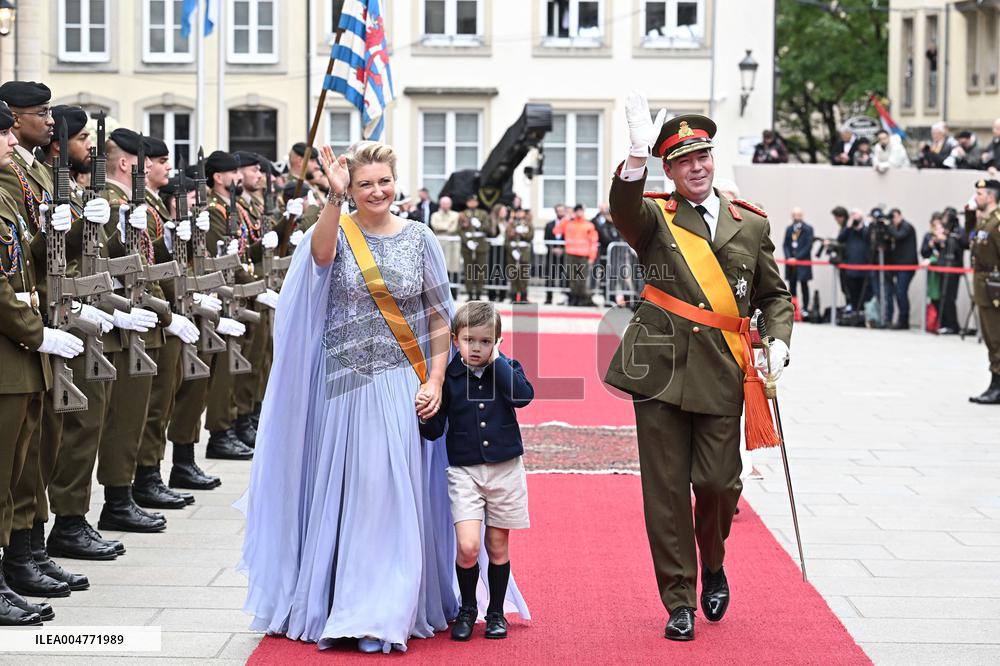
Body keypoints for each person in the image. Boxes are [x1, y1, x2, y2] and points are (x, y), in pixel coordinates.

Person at [238, 141, 527, 653]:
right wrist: (334, 196)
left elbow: (441, 317)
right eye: (365, 183)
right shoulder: (338, 230)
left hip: (402, 384)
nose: (376, 191)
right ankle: (344, 599)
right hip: (342, 384)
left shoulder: (420, 238)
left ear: (397, 183)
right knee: (351, 494)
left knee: (389, 495)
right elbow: (321, 258)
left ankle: (384, 607)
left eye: (383, 181)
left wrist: (436, 380)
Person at [606, 93, 792, 641]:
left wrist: (778, 339)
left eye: (703, 156)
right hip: (659, 369)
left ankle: (713, 561)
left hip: (720, 370)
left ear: (713, 159)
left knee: (717, 484)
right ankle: (679, 598)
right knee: (664, 492)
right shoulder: (655, 219)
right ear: (670, 169)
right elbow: (622, 209)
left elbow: (774, 296)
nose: (696, 167)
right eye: (684, 160)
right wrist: (634, 158)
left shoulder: (749, 224)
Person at [0, 99, 81, 626]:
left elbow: (27, 263)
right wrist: (37, 332)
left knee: (15, 474)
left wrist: (64, 223)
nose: (11, 142)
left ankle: (13, 568)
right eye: (2, 135)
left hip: (20, 355)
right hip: (12, 351)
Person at [418, 301, 534, 641]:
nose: (477, 348)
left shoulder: (507, 369)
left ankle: (495, 611)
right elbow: (434, 431)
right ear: (456, 340)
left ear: (497, 341)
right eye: (470, 340)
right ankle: (468, 607)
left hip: (505, 470)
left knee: (498, 546)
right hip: (465, 472)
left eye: (486, 341)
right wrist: (425, 414)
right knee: (468, 547)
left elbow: (523, 396)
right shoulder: (450, 379)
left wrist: (497, 361)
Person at [968, 179, 1000, 404]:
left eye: (980, 194)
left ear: (990, 196)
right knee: (990, 337)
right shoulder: (984, 222)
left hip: (994, 285)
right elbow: (969, 242)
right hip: (983, 283)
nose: (976, 197)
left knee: (997, 337)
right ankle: (994, 383)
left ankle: (998, 386)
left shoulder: (996, 223)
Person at [554, 204, 599, 306]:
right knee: (572, 278)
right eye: (577, 211)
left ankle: (582, 299)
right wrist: (566, 218)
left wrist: (592, 256)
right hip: (571, 254)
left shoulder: (589, 225)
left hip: (584, 256)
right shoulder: (568, 223)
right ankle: (574, 298)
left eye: (581, 211)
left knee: (582, 278)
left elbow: (593, 242)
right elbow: (556, 230)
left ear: (583, 212)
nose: (579, 213)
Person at [885, 208, 918, 329]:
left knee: (900, 291)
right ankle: (897, 319)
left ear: (900, 216)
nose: (892, 221)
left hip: (907, 266)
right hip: (897, 265)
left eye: (893, 217)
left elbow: (898, 236)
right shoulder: (894, 228)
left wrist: (887, 226)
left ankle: (903, 320)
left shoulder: (907, 227)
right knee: (897, 292)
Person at [836, 207, 870, 311]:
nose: (854, 218)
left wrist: (862, 225)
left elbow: (867, 237)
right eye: (852, 215)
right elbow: (840, 239)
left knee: (863, 294)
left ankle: (862, 314)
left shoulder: (866, 229)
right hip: (850, 267)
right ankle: (854, 312)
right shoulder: (849, 230)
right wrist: (848, 227)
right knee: (852, 292)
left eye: (856, 215)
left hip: (864, 267)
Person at [783, 208, 815, 315]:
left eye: (799, 215)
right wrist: (789, 258)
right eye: (795, 215)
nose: (797, 217)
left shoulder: (808, 229)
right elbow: (786, 245)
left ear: (802, 216)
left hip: (802, 263)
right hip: (791, 263)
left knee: (804, 285)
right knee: (792, 285)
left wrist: (797, 259)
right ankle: (792, 308)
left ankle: (805, 308)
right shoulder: (789, 229)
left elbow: (808, 246)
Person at [430, 195, 462, 297]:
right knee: (439, 267)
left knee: (453, 267)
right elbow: (435, 226)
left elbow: (454, 228)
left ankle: (454, 292)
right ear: (440, 204)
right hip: (440, 243)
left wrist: (444, 226)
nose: (445, 205)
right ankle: (441, 293)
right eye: (443, 203)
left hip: (452, 244)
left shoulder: (455, 215)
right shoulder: (435, 215)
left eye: (447, 203)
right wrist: (447, 225)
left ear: (450, 204)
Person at [505, 207, 534, 303]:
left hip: (524, 252)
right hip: (512, 252)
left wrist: (521, 233)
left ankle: (523, 296)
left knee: (523, 275)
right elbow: (506, 240)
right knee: (513, 275)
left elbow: (530, 236)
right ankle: (513, 296)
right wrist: (512, 251)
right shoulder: (511, 225)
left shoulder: (528, 224)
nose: (519, 214)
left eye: (521, 212)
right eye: (517, 212)